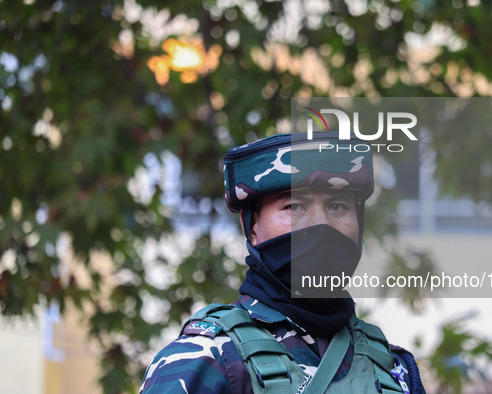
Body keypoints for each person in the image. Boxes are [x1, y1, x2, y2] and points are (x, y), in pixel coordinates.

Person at [140, 132, 425, 393]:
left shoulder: (390, 368)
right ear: (251, 226)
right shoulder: (206, 358)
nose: (321, 225)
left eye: (337, 206)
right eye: (294, 206)